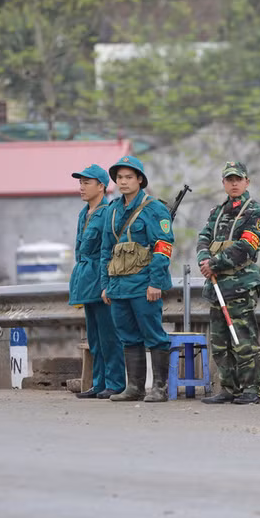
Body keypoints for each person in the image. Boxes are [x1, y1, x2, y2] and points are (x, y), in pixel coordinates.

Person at [99, 156, 175, 403]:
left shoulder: (155, 209)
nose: (123, 182)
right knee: (127, 336)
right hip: (119, 285)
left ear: (140, 180)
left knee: (153, 334)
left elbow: (163, 247)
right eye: (119, 177)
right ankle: (134, 388)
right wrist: (105, 285)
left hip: (144, 285)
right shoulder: (111, 210)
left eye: (129, 177)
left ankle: (160, 389)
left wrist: (156, 282)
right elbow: (105, 251)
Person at [197, 161, 260, 405]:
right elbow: (203, 239)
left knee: (243, 340)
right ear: (224, 183)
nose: (234, 183)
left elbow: (247, 247)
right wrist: (204, 260)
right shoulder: (216, 213)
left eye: (238, 179)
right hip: (216, 287)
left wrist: (214, 264)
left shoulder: (255, 212)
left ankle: (251, 389)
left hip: (240, 286)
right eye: (229, 179)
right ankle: (228, 388)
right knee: (220, 343)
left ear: (247, 181)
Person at [69, 164, 125, 399]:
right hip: (85, 279)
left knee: (109, 335)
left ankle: (115, 383)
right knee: (94, 336)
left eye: (87, 182)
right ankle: (99, 382)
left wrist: (107, 283)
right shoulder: (85, 213)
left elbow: (108, 250)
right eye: (80, 182)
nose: (81, 187)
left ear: (101, 186)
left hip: (101, 278)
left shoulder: (108, 212)